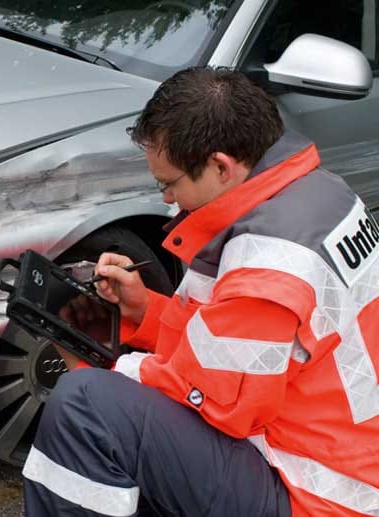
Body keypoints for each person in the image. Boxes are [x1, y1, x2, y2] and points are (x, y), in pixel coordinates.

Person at [23, 67, 379, 516]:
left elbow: (218, 401)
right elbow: (242, 345)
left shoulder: (267, 259)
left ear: (220, 166)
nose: (168, 199)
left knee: (85, 404)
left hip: (314, 493)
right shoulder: (315, 194)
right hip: (343, 462)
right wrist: (146, 313)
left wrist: (105, 365)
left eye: (169, 183)